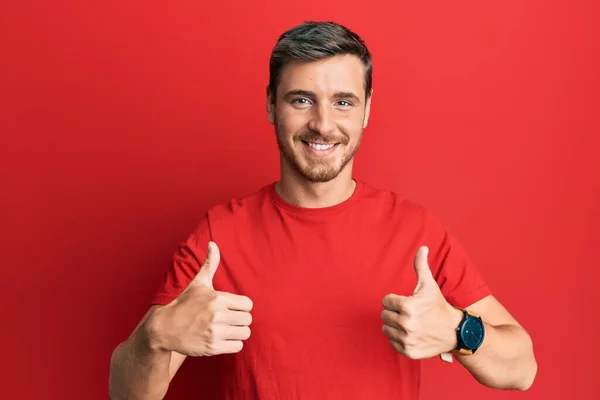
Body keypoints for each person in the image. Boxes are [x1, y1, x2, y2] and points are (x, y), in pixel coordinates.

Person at [108, 21, 537, 400]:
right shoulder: (218, 236)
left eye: (344, 102)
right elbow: (127, 394)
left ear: (367, 109)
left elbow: (522, 369)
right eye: (301, 100)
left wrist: (461, 331)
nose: (324, 124)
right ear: (270, 104)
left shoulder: (415, 231)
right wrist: (157, 333)